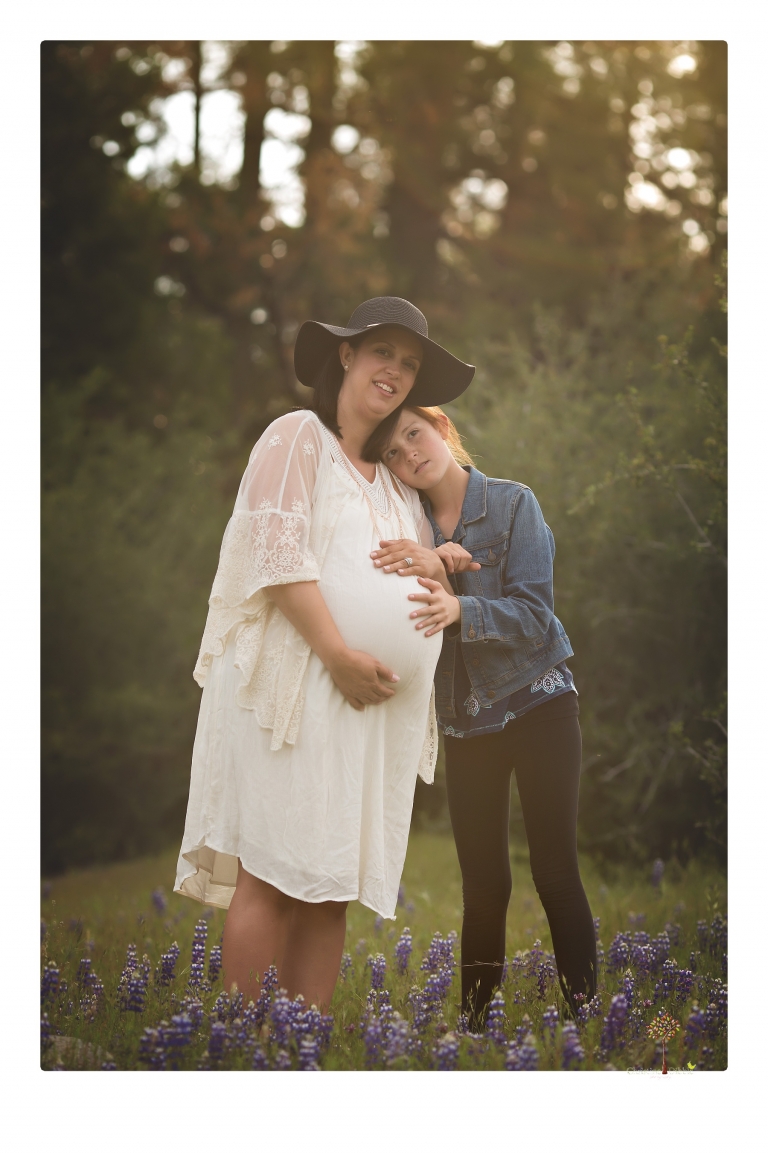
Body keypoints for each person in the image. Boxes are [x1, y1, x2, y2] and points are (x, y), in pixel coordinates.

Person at [173, 297, 475, 1011]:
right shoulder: (298, 437)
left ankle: (301, 1052)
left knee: (330, 889)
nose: (395, 371)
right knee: (273, 877)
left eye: (408, 364)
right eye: (383, 353)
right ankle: (246, 1046)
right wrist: (338, 653)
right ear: (346, 355)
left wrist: (439, 571)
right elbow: (275, 558)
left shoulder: (400, 485)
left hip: (365, 719)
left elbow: (418, 563)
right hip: (300, 690)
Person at [364, 403, 597, 1026]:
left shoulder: (515, 504)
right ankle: (473, 1030)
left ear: (440, 428)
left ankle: (589, 1020)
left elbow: (536, 616)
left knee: (554, 873)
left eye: (413, 434)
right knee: (485, 889)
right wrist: (434, 563)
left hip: (540, 702)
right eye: (392, 451)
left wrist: (462, 608)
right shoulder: (402, 525)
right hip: (467, 722)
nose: (409, 453)